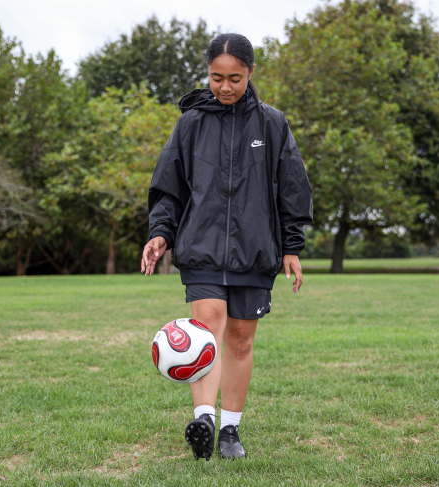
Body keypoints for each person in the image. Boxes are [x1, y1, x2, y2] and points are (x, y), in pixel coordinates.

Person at [141, 33, 313, 461]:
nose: (225, 87)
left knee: (239, 340)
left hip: (255, 251)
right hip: (200, 246)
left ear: (250, 72)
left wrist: (291, 246)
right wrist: (160, 232)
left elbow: (292, 189)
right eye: (216, 78)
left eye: (234, 78)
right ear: (208, 74)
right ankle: (203, 418)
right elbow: (169, 189)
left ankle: (230, 430)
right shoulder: (191, 124)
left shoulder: (272, 124)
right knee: (208, 328)